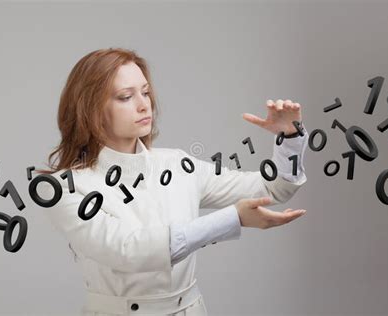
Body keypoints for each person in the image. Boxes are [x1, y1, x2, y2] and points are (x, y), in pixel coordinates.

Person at [36, 47, 309, 316]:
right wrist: (232, 219)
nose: (144, 105)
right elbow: (128, 251)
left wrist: (290, 139)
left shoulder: (177, 164)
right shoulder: (63, 188)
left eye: (145, 92)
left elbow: (275, 187)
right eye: (125, 97)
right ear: (91, 109)